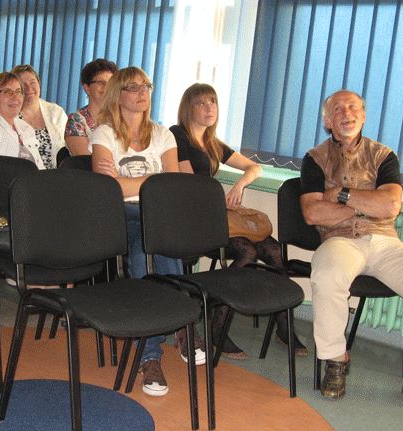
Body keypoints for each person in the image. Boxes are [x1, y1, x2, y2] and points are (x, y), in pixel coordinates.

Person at [300, 89, 403, 414]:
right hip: (339, 240)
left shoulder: (383, 156)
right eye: (337, 109)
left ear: (364, 115)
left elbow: (390, 206)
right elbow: (313, 213)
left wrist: (340, 195)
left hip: (384, 241)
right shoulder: (314, 159)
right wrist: (367, 204)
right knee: (326, 276)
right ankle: (335, 360)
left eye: (353, 107)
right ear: (328, 121)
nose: (346, 113)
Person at [91, 66, 205, 397]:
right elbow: (108, 189)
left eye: (146, 86)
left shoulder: (163, 134)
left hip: (158, 213)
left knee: (157, 244)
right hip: (121, 216)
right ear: (117, 94)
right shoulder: (104, 134)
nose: (143, 92)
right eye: (133, 86)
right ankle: (166, 340)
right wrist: (153, 182)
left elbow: (171, 186)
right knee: (146, 250)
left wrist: (131, 182)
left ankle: (159, 344)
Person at [172, 83, 307, 360]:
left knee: (274, 251)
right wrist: (217, 201)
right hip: (190, 220)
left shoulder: (213, 143)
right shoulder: (177, 135)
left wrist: (239, 186)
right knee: (247, 252)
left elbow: (254, 167)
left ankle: (284, 326)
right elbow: (187, 183)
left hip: (215, 216)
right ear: (188, 108)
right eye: (201, 103)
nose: (209, 108)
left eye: (213, 102)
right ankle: (217, 325)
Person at [10, 64, 67, 168]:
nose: (29, 88)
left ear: (39, 84)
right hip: (22, 175)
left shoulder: (56, 112)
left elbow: (66, 149)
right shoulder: (10, 115)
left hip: (55, 175)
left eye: (33, 83)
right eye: (23, 85)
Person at [64, 58, 117, 155]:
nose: (106, 87)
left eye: (110, 83)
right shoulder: (76, 120)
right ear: (87, 88)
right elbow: (85, 159)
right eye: (100, 83)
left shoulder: (121, 118)